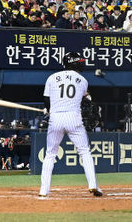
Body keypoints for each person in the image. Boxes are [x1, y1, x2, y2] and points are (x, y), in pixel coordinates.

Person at [38, 51, 103, 198]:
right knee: (84, 152)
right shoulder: (83, 80)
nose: (82, 63)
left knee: (50, 154)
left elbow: (47, 102)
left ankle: (43, 190)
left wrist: (48, 110)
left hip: (56, 119)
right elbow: (82, 99)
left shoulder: (51, 78)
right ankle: (93, 185)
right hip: (73, 118)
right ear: (75, 63)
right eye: (80, 61)